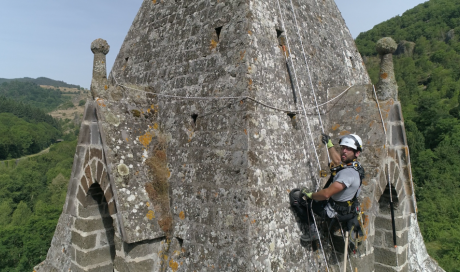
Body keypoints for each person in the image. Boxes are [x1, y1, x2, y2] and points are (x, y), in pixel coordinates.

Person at [289, 133, 364, 243]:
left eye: (349, 149)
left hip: (336, 212)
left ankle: (313, 231)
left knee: (299, 200)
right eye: (343, 148)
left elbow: (326, 194)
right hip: (348, 209)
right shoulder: (355, 167)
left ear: (357, 153)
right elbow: (339, 161)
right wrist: (329, 145)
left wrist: (310, 195)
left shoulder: (348, 174)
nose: (344, 151)